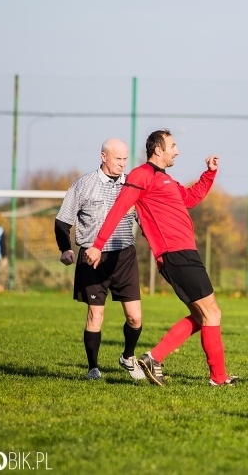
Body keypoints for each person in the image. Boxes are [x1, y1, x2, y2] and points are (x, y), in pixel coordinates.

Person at [85, 129, 237, 387]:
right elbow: (120, 207)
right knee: (212, 313)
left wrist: (209, 174)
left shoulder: (165, 179)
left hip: (184, 253)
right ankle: (216, 377)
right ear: (158, 149)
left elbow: (189, 198)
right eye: (173, 146)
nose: (177, 151)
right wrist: (98, 244)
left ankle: (155, 358)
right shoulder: (142, 175)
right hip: (176, 255)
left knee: (203, 317)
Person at [54, 138, 145, 381]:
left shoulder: (131, 185)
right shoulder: (84, 185)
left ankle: (127, 356)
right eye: (118, 159)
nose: (122, 164)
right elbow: (63, 221)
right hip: (93, 257)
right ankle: (93, 367)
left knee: (135, 317)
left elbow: (143, 218)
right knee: (96, 315)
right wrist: (65, 248)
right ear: (103, 156)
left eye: (126, 159)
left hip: (125, 256)